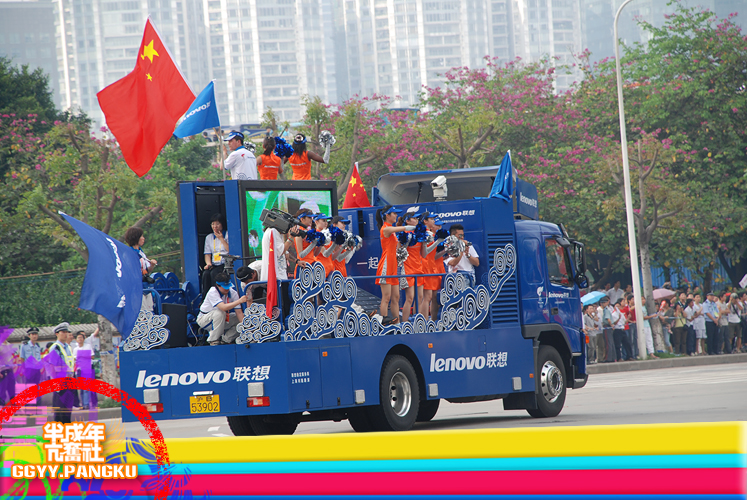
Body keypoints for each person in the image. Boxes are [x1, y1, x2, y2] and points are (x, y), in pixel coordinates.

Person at [375, 205, 412, 325]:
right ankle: (384, 323)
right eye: (394, 213)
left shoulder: (391, 229)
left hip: (393, 266)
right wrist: (415, 227)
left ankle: (397, 323)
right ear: (387, 215)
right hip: (386, 266)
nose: (396, 215)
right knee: (386, 297)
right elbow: (403, 228)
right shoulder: (385, 229)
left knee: (396, 297)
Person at [196, 272, 247, 345]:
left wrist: (246, 327)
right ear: (218, 285)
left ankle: (225, 340)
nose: (227, 289)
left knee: (241, 318)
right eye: (224, 287)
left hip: (222, 318)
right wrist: (239, 301)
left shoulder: (233, 293)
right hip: (205, 319)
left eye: (228, 286)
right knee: (219, 313)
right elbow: (223, 307)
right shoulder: (212, 292)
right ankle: (214, 340)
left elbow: (239, 312)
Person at [45, 322, 76, 423]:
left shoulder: (68, 347)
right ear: (57, 334)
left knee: (68, 408)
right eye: (63, 332)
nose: (65, 334)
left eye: (66, 332)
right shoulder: (55, 347)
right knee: (60, 408)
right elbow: (52, 366)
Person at [398, 208, 425, 322]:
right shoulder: (403, 234)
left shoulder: (420, 234)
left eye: (417, 218)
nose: (417, 220)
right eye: (414, 218)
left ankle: (416, 321)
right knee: (410, 298)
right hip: (407, 268)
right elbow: (399, 252)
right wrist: (407, 242)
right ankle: (404, 324)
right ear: (407, 221)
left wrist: (424, 241)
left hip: (419, 268)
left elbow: (423, 254)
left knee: (420, 297)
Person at [422, 214, 447, 320]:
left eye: (441, 226)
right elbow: (425, 254)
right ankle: (424, 322)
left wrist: (446, 251)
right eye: (438, 225)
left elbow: (434, 255)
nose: (440, 228)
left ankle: (432, 320)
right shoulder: (426, 234)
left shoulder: (433, 236)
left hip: (434, 268)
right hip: (427, 268)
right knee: (426, 297)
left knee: (434, 298)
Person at [202, 214, 229, 295]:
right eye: (213, 224)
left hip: (224, 263)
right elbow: (207, 254)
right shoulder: (209, 237)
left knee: (214, 273)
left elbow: (229, 250)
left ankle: (217, 295)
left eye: (217, 224)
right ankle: (206, 297)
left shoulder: (227, 234)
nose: (215, 226)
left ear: (222, 224)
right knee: (206, 274)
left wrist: (221, 239)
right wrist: (208, 264)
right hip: (214, 264)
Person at [293, 208, 317, 277]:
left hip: (312, 266)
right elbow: (301, 255)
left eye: (311, 217)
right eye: (309, 217)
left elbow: (315, 253)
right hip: (303, 267)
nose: (311, 219)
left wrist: (320, 243)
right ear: (302, 219)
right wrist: (313, 243)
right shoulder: (298, 232)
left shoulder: (309, 231)